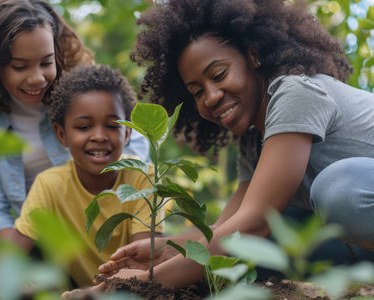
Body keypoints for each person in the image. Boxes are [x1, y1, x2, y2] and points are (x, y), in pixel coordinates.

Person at [95, 0, 374, 289]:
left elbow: (254, 224)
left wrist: (143, 285)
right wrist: (165, 250)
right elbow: (227, 230)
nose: (211, 96)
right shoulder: (256, 142)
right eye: (197, 91)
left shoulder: (295, 91)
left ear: (253, 56)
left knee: (336, 191)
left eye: (218, 75)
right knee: (261, 244)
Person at [0, 0, 150, 297]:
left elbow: (133, 142)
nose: (37, 78)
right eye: (20, 66)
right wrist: (16, 253)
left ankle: (80, 282)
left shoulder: (81, 99)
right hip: (38, 241)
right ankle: (59, 282)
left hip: (101, 233)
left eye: (46, 62)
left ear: (58, 56)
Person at [0, 64, 164, 300]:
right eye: (84, 127)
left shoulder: (143, 178)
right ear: (61, 134)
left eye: (112, 125)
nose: (99, 136)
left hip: (124, 289)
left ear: (127, 134)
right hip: (70, 285)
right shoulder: (49, 184)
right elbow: (9, 258)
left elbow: (144, 267)